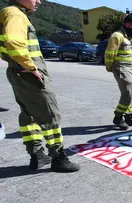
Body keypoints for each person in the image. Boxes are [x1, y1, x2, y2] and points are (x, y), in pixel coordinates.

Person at [0, 0, 79, 172]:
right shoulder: (16, 14)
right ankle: (58, 157)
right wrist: (31, 67)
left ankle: (36, 154)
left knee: (29, 115)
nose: (38, 1)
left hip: (18, 71)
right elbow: (14, 42)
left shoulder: (9, 13)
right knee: (50, 113)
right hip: (28, 73)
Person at [105, 14, 132, 130]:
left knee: (131, 94)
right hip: (121, 68)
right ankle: (118, 116)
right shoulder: (117, 36)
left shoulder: (130, 37)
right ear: (127, 24)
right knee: (128, 94)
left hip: (131, 69)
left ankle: (129, 117)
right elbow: (110, 54)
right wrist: (110, 68)